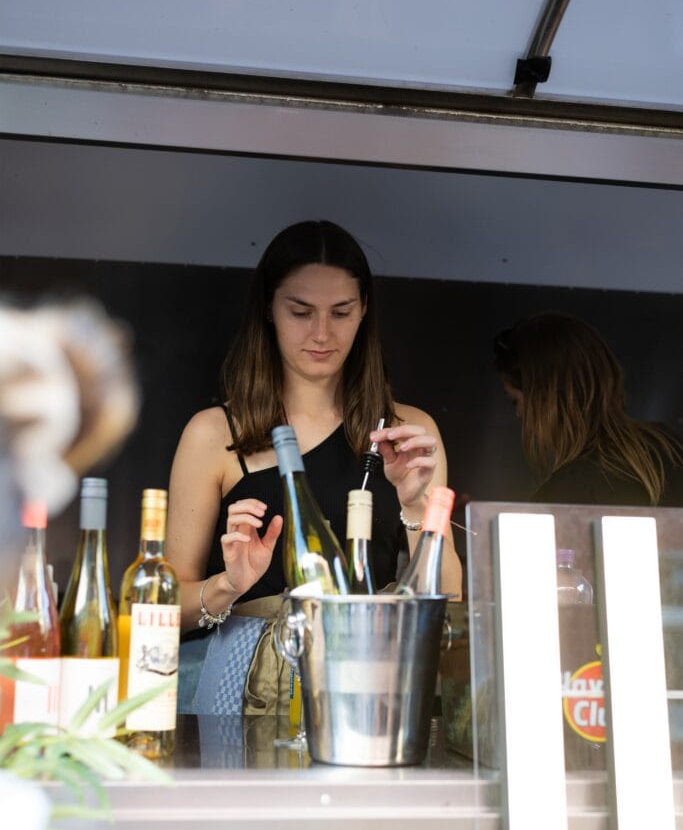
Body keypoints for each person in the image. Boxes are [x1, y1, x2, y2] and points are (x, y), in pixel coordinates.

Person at [167, 220, 461, 713]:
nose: (322, 333)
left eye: (341, 312)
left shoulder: (408, 432)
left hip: (375, 692)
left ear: (364, 310)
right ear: (268, 308)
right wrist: (228, 586)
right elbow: (160, 608)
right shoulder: (214, 435)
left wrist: (416, 505)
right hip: (245, 695)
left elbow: (448, 603)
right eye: (301, 312)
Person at [494, 311, 683, 506]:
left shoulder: (564, 495)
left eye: (515, 401)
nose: (519, 414)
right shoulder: (669, 448)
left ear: (543, 398)